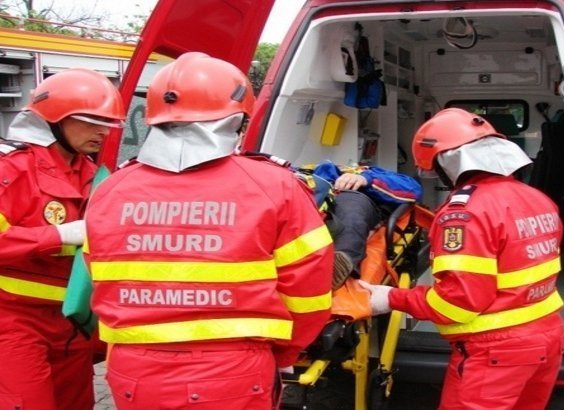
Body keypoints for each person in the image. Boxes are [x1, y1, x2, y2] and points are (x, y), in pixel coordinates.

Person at [84, 52, 333, 409]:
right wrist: (286, 351)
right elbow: (309, 289)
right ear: (237, 119)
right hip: (232, 370)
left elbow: (99, 274)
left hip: (133, 371)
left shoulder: (110, 189)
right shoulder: (274, 185)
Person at [360, 108, 564, 410]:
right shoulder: (536, 198)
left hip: (497, 351)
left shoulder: (464, 215)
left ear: (447, 163)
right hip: (548, 336)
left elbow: (456, 303)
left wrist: (391, 298)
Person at [0, 68, 125, 409]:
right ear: (55, 119)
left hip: (72, 322)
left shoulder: (96, 176)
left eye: (108, 124)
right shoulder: (11, 170)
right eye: (92, 121)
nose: (103, 132)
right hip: (13, 322)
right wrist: (58, 236)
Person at [301, 161, 422, 289]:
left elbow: (413, 189)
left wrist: (366, 179)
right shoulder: (306, 170)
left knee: (350, 210)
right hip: (311, 196)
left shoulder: (372, 173)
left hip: (350, 197)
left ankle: (340, 263)